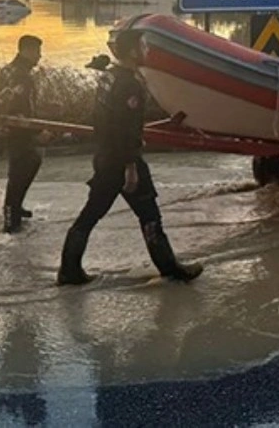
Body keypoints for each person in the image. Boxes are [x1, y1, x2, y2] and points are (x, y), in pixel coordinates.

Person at [57, 29, 203, 286]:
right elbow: (125, 129)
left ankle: (69, 269)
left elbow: (107, 121)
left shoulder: (109, 78)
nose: (146, 50)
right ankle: (170, 269)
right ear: (133, 50)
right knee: (149, 216)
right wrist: (130, 167)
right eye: (143, 46)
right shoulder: (129, 84)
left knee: (92, 215)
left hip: (105, 156)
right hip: (123, 161)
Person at [0, 35, 51, 233]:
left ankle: (16, 207)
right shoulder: (22, 75)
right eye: (37, 51)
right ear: (26, 51)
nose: (39, 56)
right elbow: (21, 108)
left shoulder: (6, 70)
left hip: (10, 127)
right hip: (19, 130)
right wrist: (37, 132)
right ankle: (11, 218)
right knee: (21, 172)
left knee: (22, 168)